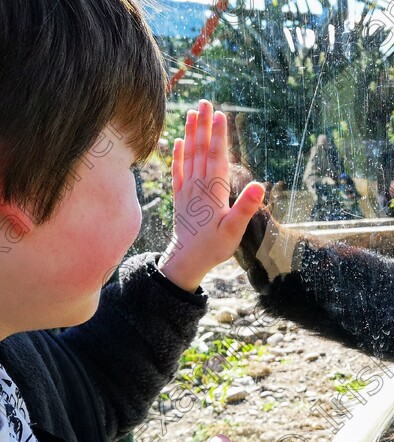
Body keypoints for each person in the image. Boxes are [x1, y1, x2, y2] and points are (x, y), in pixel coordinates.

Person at [0, 1, 265, 441]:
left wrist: (184, 263)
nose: (138, 195)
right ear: (18, 191)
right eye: (129, 168)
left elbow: (91, 391)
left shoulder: (15, 349)